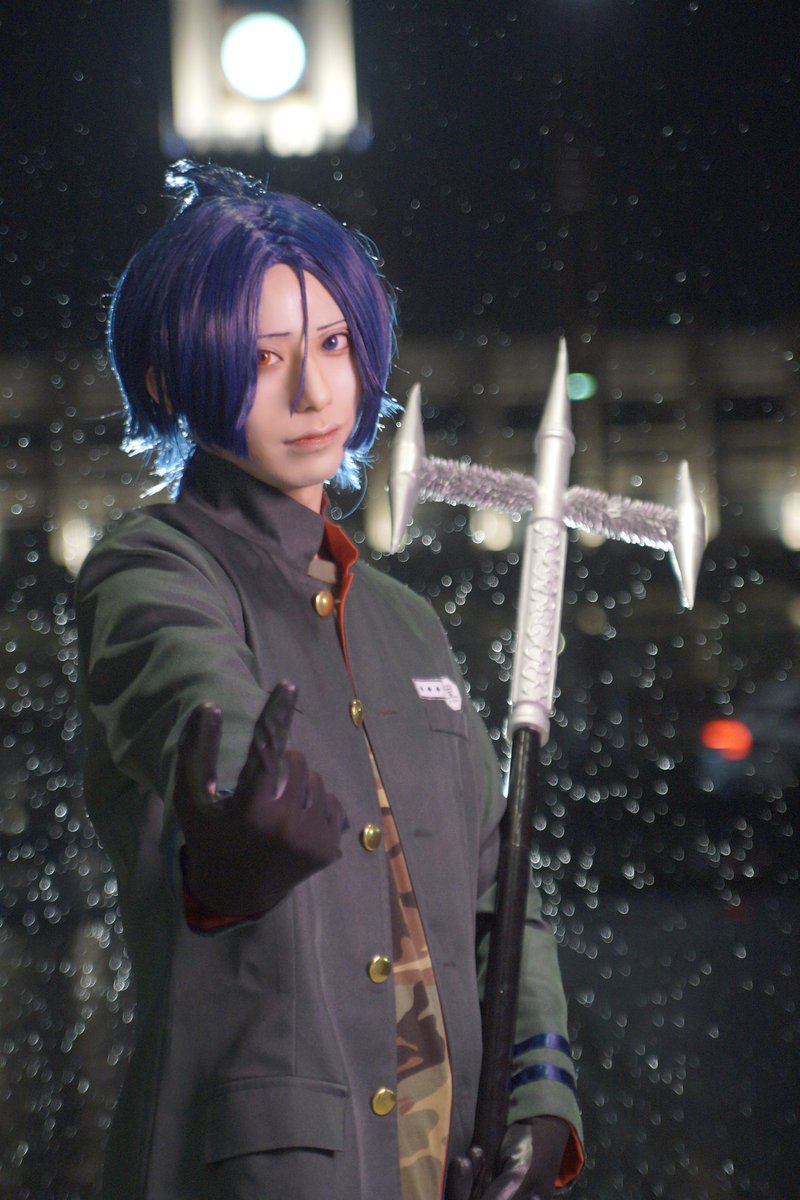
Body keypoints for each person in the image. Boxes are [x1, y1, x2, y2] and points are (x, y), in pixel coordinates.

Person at [76, 161, 584, 1200]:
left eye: (334, 345)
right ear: (169, 379)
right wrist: (231, 828)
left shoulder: (405, 622)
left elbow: (500, 894)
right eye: (262, 359)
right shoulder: (153, 568)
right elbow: (192, 697)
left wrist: (538, 1093)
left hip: (450, 1165)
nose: (313, 394)